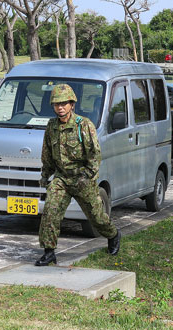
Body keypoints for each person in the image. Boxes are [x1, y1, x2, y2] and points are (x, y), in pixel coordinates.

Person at [35, 84, 121, 266]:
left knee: (96, 217)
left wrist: (87, 176)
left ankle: (113, 234)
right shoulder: (51, 127)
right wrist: (45, 175)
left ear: (72, 104)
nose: (60, 107)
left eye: (64, 103)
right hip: (62, 178)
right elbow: (47, 154)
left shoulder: (84, 125)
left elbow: (95, 154)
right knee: (50, 211)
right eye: (57, 104)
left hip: (83, 178)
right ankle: (49, 252)